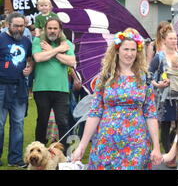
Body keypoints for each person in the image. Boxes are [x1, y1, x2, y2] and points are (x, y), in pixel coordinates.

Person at [71, 28, 162, 169]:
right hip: (107, 141)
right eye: (126, 49)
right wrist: (82, 145)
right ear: (117, 50)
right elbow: (95, 112)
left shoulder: (145, 78)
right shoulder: (105, 77)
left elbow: (150, 113)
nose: (130, 54)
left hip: (136, 143)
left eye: (133, 50)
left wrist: (156, 146)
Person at [149, 27, 178, 167]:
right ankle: (168, 155)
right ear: (164, 41)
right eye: (171, 38)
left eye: (175, 38)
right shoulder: (159, 57)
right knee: (166, 125)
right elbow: (149, 75)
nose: (174, 41)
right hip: (165, 98)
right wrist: (158, 84)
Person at [32, 18, 76, 149]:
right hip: (41, 88)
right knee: (42, 122)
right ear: (45, 29)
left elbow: (71, 62)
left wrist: (51, 50)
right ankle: (40, 152)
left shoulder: (66, 43)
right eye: (49, 28)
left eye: (55, 28)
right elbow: (39, 58)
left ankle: (64, 154)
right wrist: (58, 50)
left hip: (61, 89)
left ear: (60, 30)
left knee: (62, 122)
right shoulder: (38, 41)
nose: (52, 31)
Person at [0, 12, 33, 168]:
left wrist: (29, 68)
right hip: (1, 86)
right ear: (8, 24)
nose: (19, 29)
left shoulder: (26, 41)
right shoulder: (0, 38)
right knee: (0, 123)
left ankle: (15, 159)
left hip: (20, 87)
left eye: (22, 26)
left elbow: (29, 60)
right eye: (16, 26)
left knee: (18, 123)